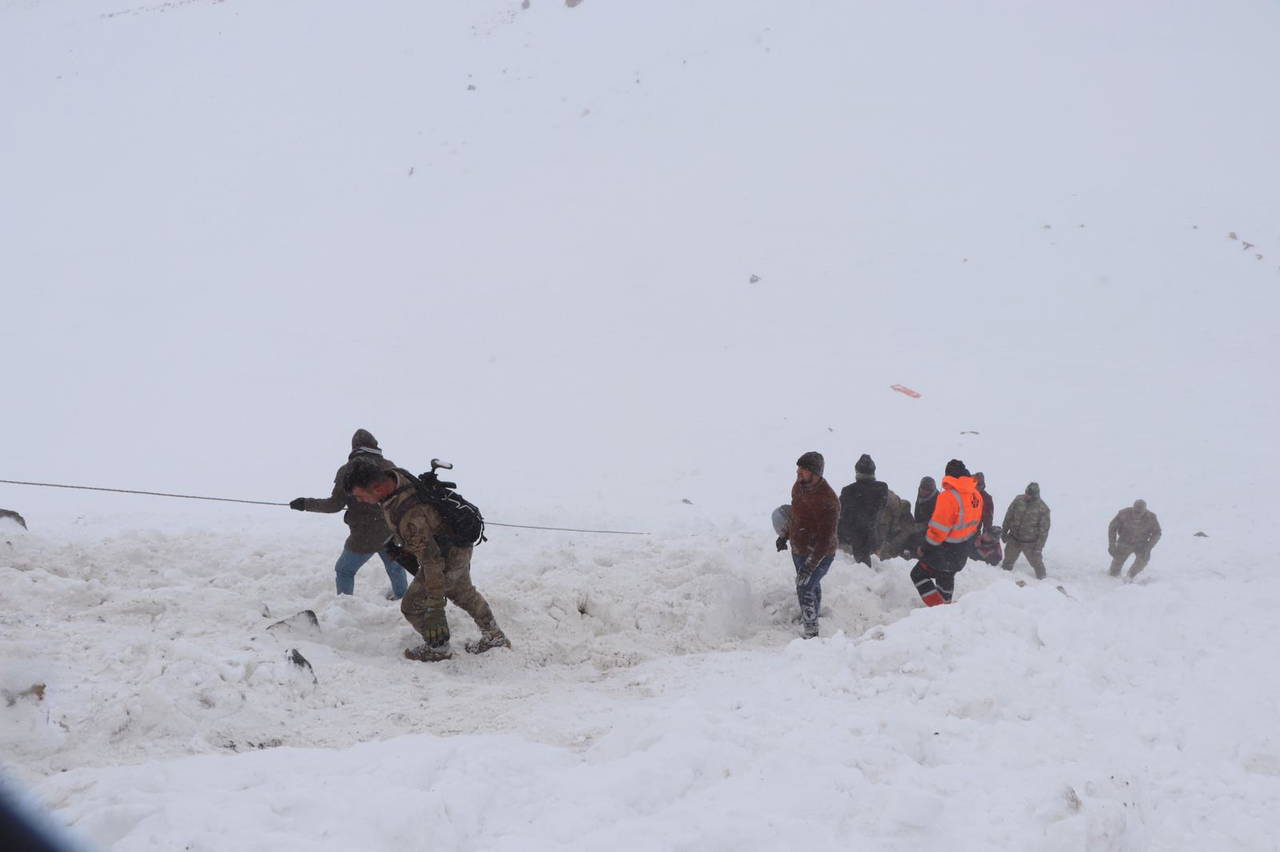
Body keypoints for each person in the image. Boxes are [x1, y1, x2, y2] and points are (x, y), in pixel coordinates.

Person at [345, 460, 510, 661]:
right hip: (457, 546)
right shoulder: (396, 476)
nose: (360, 501)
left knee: (412, 606)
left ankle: (438, 648)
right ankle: (495, 636)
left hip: (446, 557)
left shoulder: (410, 517)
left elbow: (432, 563)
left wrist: (435, 609)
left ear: (378, 488)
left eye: (360, 496)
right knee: (464, 592)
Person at [290, 429, 410, 599]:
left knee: (344, 570)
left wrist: (305, 504)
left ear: (354, 447)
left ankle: (345, 605)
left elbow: (334, 505)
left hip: (364, 534)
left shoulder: (348, 470)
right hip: (390, 528)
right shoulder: (388, 465)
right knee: (395, 564)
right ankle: (402, 596)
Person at [778, 451, 839, 638]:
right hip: (799, 548)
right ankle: (813, 615)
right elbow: (795, 516)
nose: (798, 472)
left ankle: (811, 632)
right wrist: (784, 535)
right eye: (798, 469)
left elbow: (825, 540)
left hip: (821, 553)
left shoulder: (829, 500)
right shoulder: (798, 487)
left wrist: (810, 565)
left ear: (815, 473)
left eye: (803, 470)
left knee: (804, 586)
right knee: (811, 586)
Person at [910, 459, 981, 606]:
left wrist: (924, 548)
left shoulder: (948, 497)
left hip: (944, 552)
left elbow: (938, 532)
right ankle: (946, 608)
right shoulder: (976, 495)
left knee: (918, 574)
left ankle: (938, 608)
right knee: (946, 577)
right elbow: (974, 525)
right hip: (962, 551)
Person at [837, 453, 888, 566]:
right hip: (874, 539)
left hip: (849, 540)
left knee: (852, 568)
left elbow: (840, 513)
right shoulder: (882, 488)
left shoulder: (848, 491)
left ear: (857, 472)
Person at [1001, 482, 1051, 579]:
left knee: (1038, 565)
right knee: (1007, 562)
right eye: (1026, 492)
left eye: (1029, 494)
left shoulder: (1043, 509)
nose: (1026, 495)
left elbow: (1043, 532)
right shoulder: (1018, 500)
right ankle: (1003, 581)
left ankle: (1044, 582)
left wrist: (1038, 548)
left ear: (1035, 495)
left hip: (1030, 543)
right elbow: (1009, 516)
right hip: (1014, 539)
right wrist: (1004, 532)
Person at [1108, 499, 1162, 579]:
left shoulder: (1151, 518)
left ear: (1144, 511)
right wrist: (1112, 544)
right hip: (1124, 542)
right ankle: (1113, 576)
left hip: (1141, 544)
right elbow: (1112, 528)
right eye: (1135, 511)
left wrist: (1148, 547)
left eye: (1139, 512)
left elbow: (1157, 533)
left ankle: (1130, 576)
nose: (1137, 514)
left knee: (1143, 559)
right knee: (1114, 572)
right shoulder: (1123, 514)